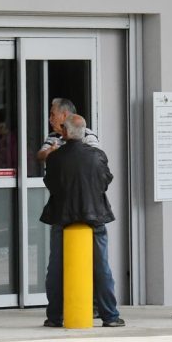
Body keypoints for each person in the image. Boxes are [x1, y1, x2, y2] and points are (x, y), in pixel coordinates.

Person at [40, 114, 124, 328]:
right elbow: (105, 181)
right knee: (101, 266)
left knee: (56, 267)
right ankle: (110, 316)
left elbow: (50, 183)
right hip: (94, 216)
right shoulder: (97, 156)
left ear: (65, 132)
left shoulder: (55, 158)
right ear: (84, 132)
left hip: (62, 217)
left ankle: (55, 316)